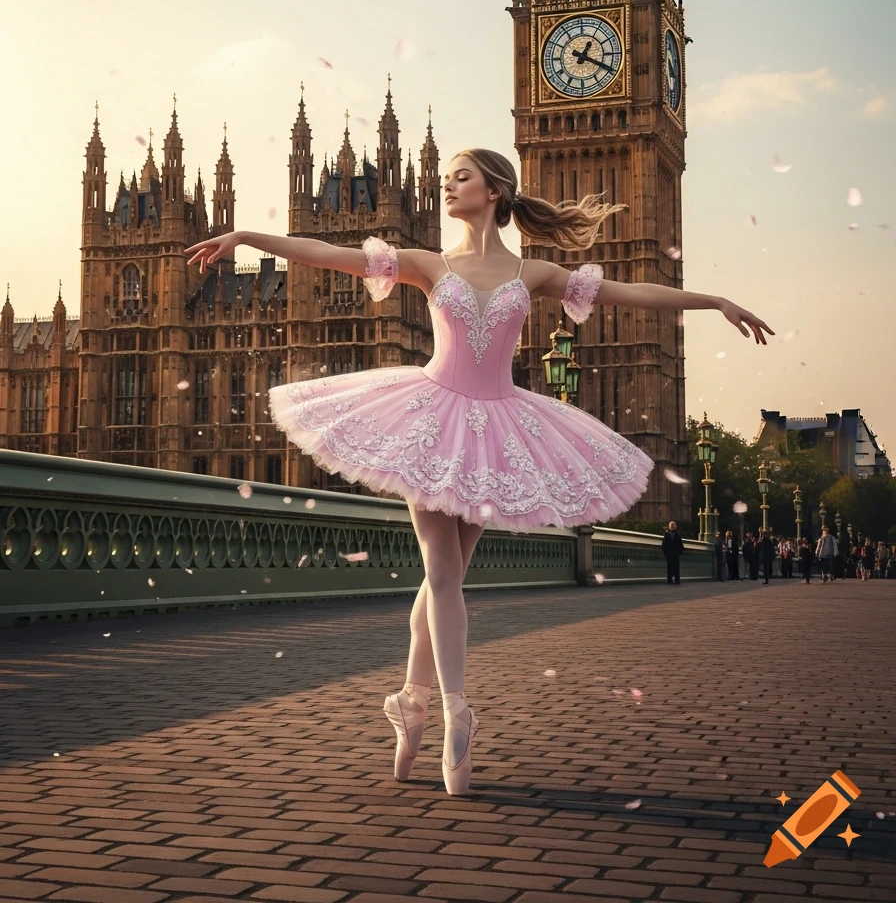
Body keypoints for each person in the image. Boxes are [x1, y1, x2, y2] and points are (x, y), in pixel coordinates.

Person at [184, 147, 774, 796]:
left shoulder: (444, 267)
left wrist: (714, 298)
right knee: (446, 580)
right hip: (489, 429)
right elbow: (324, 251)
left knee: (441, 579)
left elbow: (321, 252)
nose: (448, 185)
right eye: (448, 176)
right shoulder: (524, 271)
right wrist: (714, 300)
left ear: (494, 190)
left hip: (444, 423)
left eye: (461, 176)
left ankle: (450, 706)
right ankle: (418, 707)